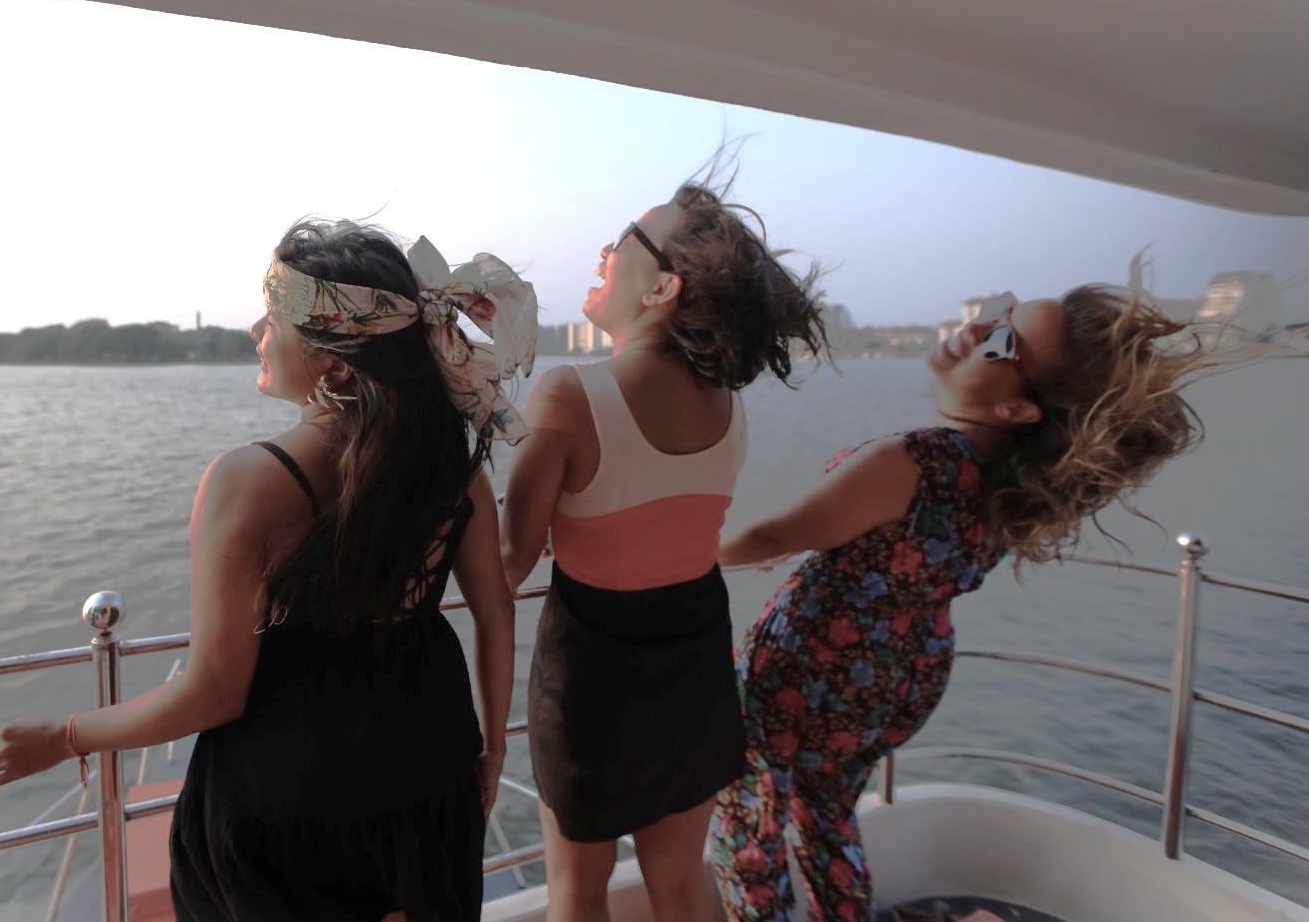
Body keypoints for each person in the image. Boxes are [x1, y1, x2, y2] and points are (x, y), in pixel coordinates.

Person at [0, 219, 537, 921]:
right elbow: (497, 609)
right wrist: (488, 751)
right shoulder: (454, 467)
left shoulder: (247, 482)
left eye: (273, 318)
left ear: (335, 361)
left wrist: (64, 736)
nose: (255, 332)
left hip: (292, 795)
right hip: (431, 759)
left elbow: (212, 693)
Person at [710, 284, 1251, 922]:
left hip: (814, 666)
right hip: (900, 676)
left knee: (747, 820)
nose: (978, 331)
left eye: (1002, 340)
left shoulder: (916, 461)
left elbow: (777, 536)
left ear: (1018, 409)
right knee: (825, 812)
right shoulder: (1003, 489)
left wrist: (676, 557)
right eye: (994, 320)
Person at [500, 176, 830, 921]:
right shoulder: (728, 405)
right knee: (681, 888)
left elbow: (507, 561)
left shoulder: (568, 396)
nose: (604, 255)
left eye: (620, 244)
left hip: (592, 675)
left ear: (663, 289)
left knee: (577, 893)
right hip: (695, 668)